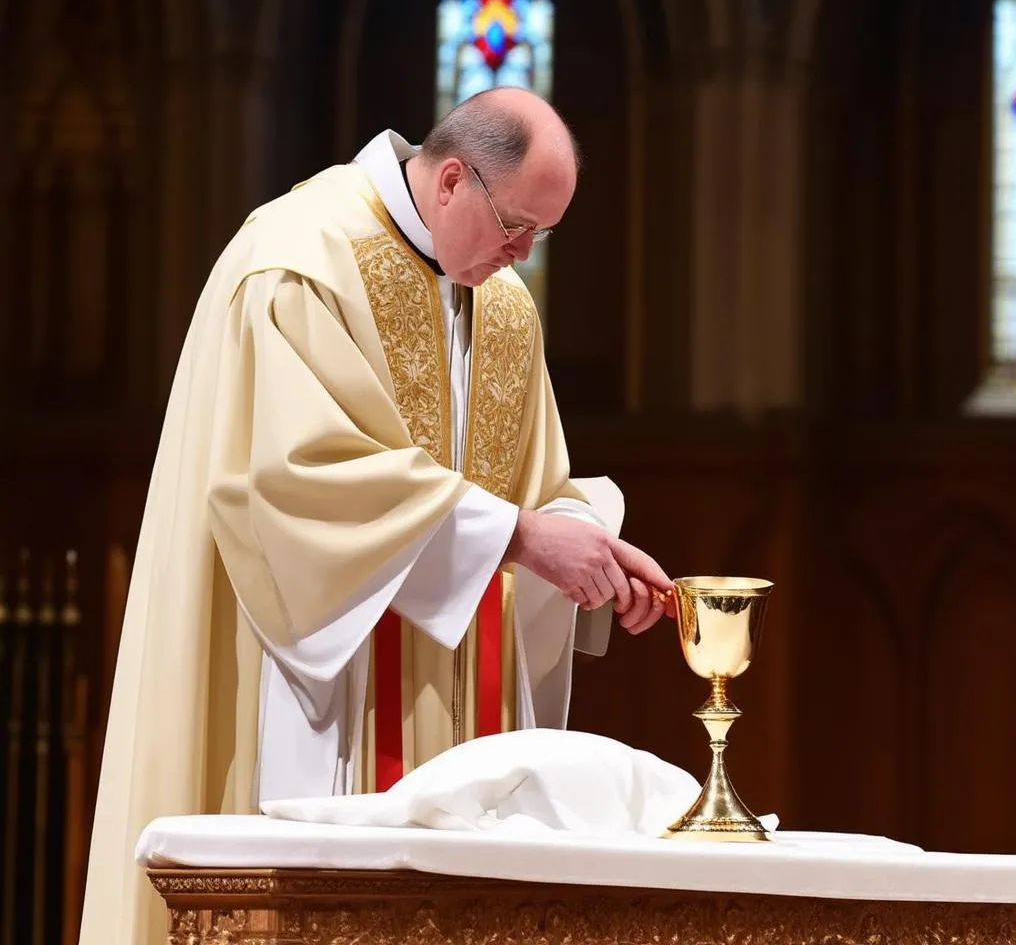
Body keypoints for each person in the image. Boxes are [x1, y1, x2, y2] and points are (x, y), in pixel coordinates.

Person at [77, 86, 675, 945]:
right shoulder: (297, 261)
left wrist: (590, 546)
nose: (521, 254)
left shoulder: (504, 305)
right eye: (514, 226)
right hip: (319, 689)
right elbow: (291, 484)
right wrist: (516, 537)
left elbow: (533, 486)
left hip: (458, 712)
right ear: (452, 181)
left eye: (542, 235)